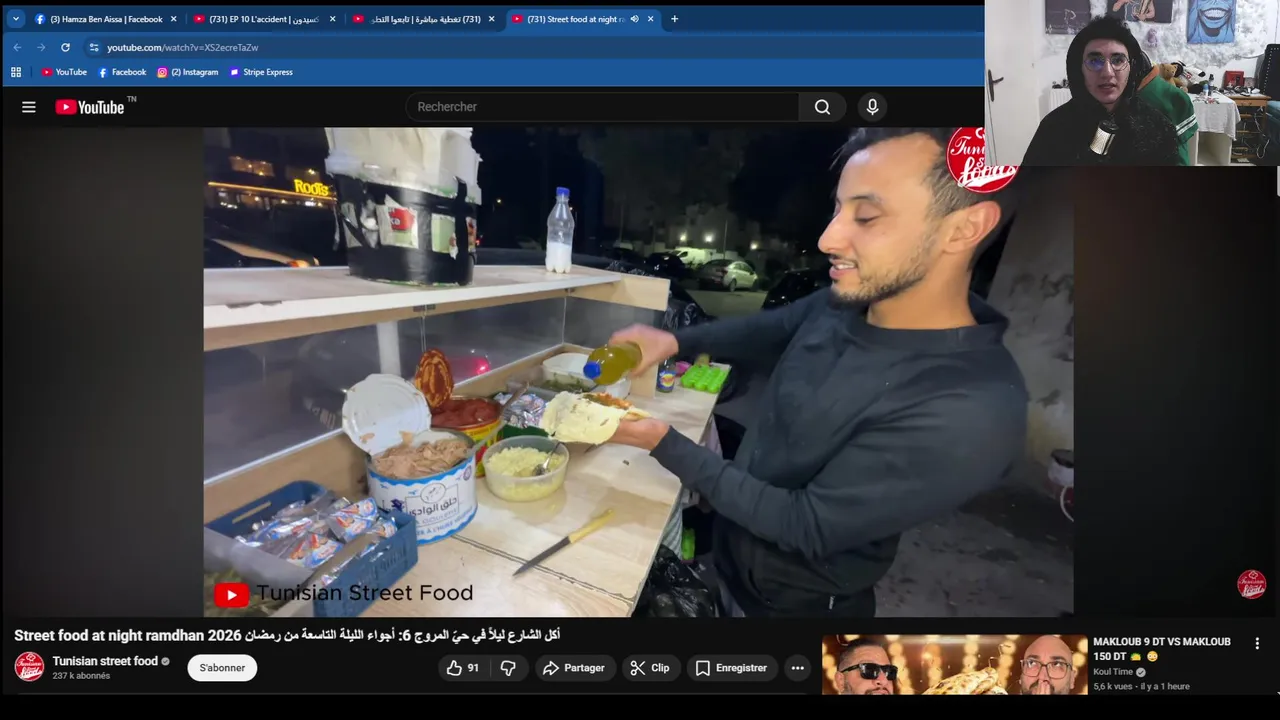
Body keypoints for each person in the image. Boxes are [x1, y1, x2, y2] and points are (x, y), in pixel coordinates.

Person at [603, 127, 1029, 617]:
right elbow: (771, 328)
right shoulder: (844, 304)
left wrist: (662, 441)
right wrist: (675, 341)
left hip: (791, 607)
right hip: (732, 562)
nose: (828, 238)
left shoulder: (972, 406)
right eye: (838, 209)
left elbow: (805, 524)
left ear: (964, 229)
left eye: (866, 216)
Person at [1024, 16, 1182, 165]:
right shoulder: (1053, 128)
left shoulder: (1159, 129)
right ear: (1079, 69)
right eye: (1094, 61)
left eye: (1118, 60)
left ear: (1132, 67)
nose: (1107, 72)